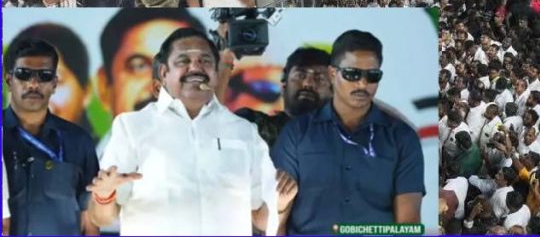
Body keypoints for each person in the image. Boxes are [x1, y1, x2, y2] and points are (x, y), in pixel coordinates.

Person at [87, 28, 280, 236]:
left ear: (216, 73)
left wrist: (284, 200)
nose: (195, 67)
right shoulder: (132, 127)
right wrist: (104, 195)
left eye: (205, 61)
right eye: (183, 61)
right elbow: (102, 218)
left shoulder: (244, 131)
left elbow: (261, 215)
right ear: (164, 73)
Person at [272, 30, 425, 233]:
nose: (362, 83)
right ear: (332, 74)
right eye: (352, 74)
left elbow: (408, 223)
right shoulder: (296, 133)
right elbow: (278, 219)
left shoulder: (402, 138)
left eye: (372, 76)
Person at [2, 38, 100, 236]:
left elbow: (90, 222)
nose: (33, 83)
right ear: (9, 80)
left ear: (54, 84)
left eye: (44, 76)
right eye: (23, 74)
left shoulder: (78, 141)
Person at [235, 47, 333, 149]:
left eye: (319, 79)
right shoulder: (251, 125)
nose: (308, 84)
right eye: (300, 76)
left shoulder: (340, 140)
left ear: (334, 91)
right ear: (283, 86)